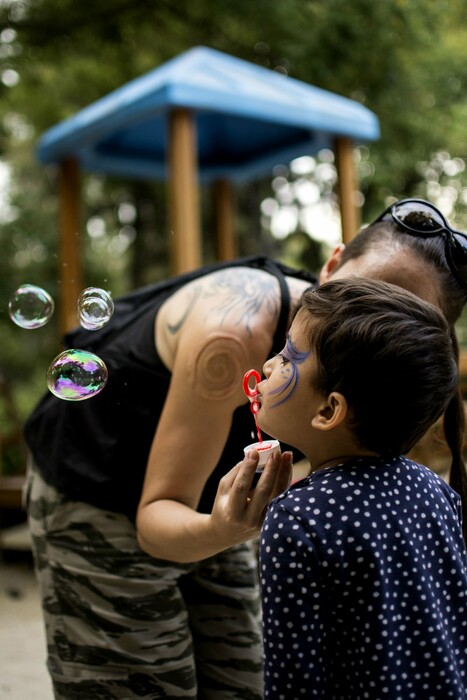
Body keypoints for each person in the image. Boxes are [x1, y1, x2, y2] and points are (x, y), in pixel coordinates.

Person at [23, 198, 467, 699]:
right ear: (332, 263)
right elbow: (157, 517)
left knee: (240, 682)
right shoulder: (232, 339)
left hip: (219, 497)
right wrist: (222, 528)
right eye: (362, 294)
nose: (368, 331)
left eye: (398, 325)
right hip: (103, 488)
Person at [256, 277, 467, 699]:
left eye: (287, 358)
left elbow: (293, 682)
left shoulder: (296, 520)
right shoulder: (435, 491)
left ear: (329, 409)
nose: (267, 366)